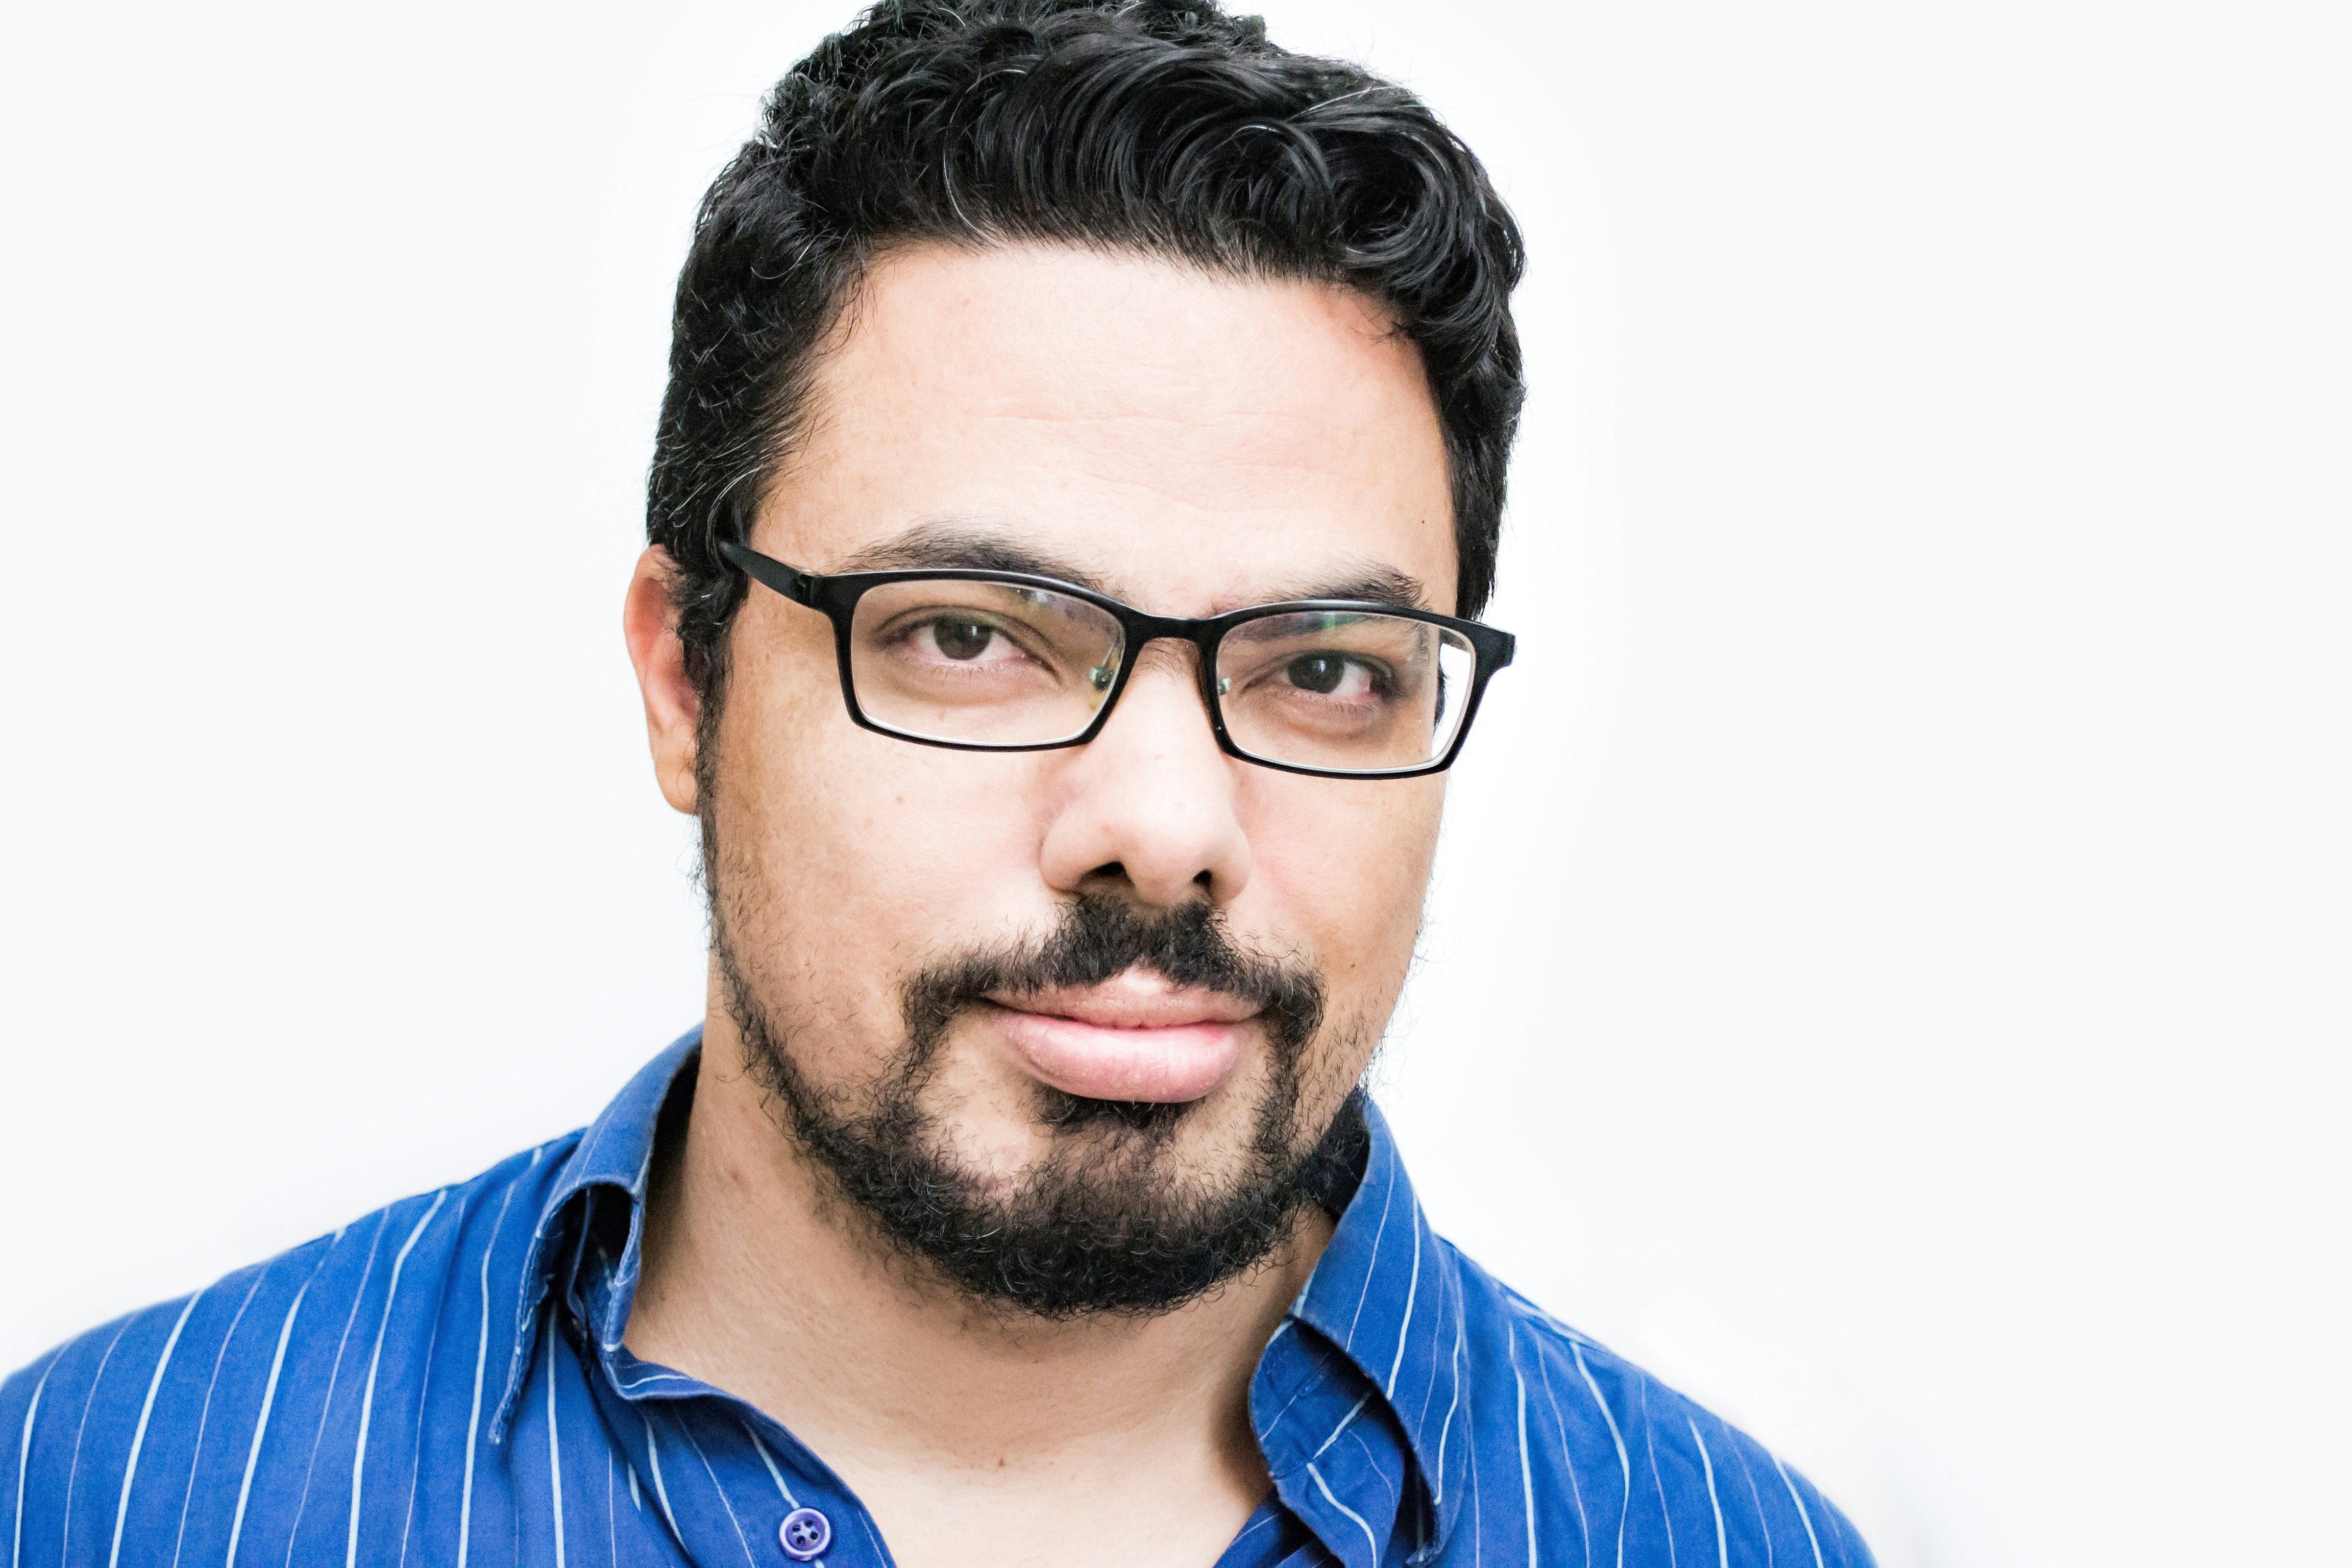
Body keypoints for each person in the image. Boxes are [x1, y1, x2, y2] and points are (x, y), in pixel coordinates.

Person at [2, 3, 1876, 1564]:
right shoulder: (105, 1501)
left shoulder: (1726, 1548)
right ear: (687, 678)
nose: (1166, 827)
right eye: (973, 636)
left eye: (1324, 669)